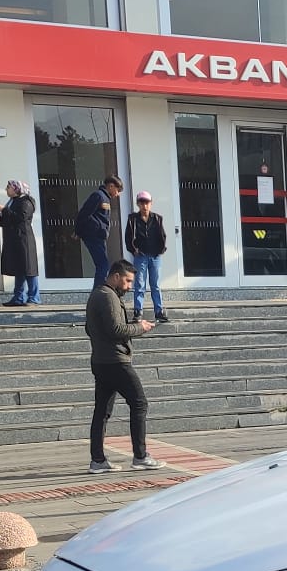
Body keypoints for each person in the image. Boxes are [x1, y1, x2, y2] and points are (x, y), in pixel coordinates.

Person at [85, 258, 161, 473]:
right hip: (115, 361)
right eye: (127, 281)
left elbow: (90, 328)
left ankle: (98, 460)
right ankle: (140, 456)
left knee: (102, 411)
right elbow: (116, 330)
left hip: (101, 360)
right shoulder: (108, 296)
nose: (129, 286)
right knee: (139, 403)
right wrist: (140, 327)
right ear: (116, 276)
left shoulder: (97, 294)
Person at [124, 190, 170, 323]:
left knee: (155, 284)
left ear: (151, 203)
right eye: (142, 203)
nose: (145, 206)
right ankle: (138, 311)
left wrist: (161, 250)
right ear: (138, 204)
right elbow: (128, 237)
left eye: (147, 203)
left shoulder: (157, 218)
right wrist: (133, 250)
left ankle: (159, 312)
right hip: (140, 256)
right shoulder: (133, 219)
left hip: (155, 256)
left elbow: (162, 235)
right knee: (139, 284)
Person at [0, 180, 40, 307]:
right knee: (19, 269)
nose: (6, 189)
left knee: (29, 269)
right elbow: (9, 220)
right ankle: (19, 297)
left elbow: (21, 218)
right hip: (14, 239)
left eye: (8, 187)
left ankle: (34, 297)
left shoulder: (26, 201)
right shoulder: (12, 202)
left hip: (24, 239)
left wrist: (4, 210)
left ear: (16, 189)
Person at [75, 175, 122, 290]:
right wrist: (79, 231)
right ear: (111, 186)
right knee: (103, 265)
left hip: (99, 237)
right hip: (94, 236)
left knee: (103, 265)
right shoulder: (98, 196)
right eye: (118, 190)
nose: (118, 194)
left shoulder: (105, 198)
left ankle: (99, 292)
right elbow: (84, 214)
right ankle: (98, 293)